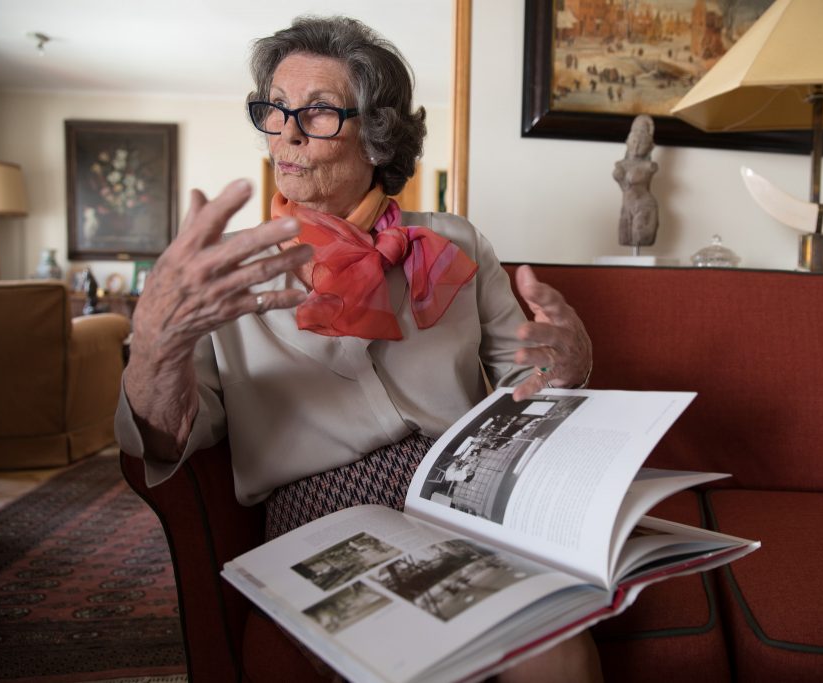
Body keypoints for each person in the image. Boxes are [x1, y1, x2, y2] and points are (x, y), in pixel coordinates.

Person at [116, 15, 600, 683]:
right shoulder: (221, 273)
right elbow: (166, 439)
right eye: (274, 109)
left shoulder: (456, 244)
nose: (284, 133)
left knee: (557, 642)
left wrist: (570, 365)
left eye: (315, 111)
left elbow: (527, 388)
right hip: (321, 510)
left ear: (377, 134)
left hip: (461, 488)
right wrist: (154, 342)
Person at [613, 114, 660, 248]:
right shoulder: (621, 164)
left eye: (642, 143)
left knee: (639, 238)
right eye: (634, 141)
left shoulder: (649, 166)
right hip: (626, 207)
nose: (636, 146)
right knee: (625, 238)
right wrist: (620, 177)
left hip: (644, 206)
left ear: (650, 147)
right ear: (627, 142)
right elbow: (625, 186)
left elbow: (632, 181)